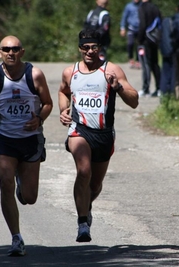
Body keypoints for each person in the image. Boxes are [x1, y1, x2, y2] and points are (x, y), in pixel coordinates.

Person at [58, 29, 138, 242]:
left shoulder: (111, 70)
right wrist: (63, 110)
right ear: (79, 48)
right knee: (84, 171)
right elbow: (63, 92)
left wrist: (118, 87)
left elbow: (134, 101)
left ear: (99, 48)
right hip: (79, 130)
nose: (90, 51)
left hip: (103, 135)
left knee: (95, 185)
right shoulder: (71, 72)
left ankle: (87, 205)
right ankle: (83, 222)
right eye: (85, 47)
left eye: (94, 47)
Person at [0, 35, 53, 256]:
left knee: (30, 198)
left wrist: (39, 119)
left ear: (22, 52)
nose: (10, 52)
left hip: (30, 140)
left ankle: (23, 182)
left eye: (15, 49)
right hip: (4, 139)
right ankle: (16, 237)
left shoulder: (35, 75)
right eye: (6, 49)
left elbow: (48, 103)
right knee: (5, 184)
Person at [159, 2, 179, 95]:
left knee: (165, 71)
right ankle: (173, 93)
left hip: (164, 48)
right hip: (174, 49)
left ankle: (164, 92)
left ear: (177, 9)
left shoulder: (167, 20)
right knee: (174, 72)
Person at [137, 0, 161, 97]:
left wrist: (139, 39)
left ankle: (145, 88)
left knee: (146, 64)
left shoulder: (142, 8)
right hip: (155, 39)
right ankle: (159, 88)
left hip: (145, 40)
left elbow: (142, 25)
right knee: (155, 63)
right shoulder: (155, 8)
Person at [120, 0, 141, 69]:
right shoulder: (129, 6)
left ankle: (138, 60)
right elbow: (124, 17)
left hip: (140, 29)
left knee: (139, 45)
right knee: (130, 43)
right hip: (131, 28)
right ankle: (131, 58)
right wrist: (122, 28)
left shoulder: (142, 5)